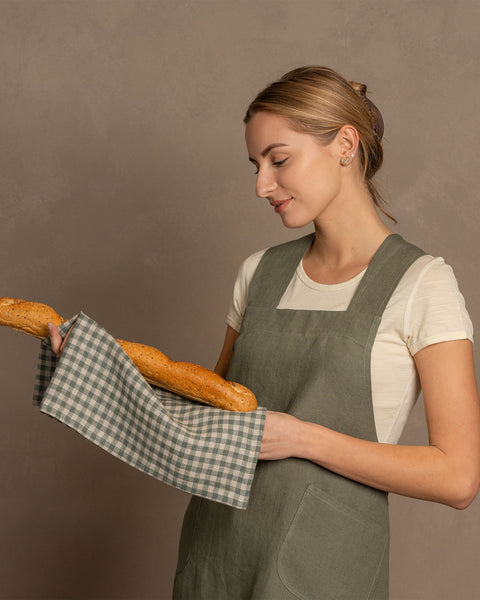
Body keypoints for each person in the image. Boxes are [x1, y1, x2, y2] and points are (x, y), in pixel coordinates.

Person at [50, 66, 480, 599]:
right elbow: (207, 416)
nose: (261, 186)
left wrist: (302, 437)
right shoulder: (260, 273)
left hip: (324, 570)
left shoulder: (422, 284)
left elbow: (458, 476)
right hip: (217, 555)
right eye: (256, 165)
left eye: (279, 160)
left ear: (345, 144)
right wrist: (100, 364)